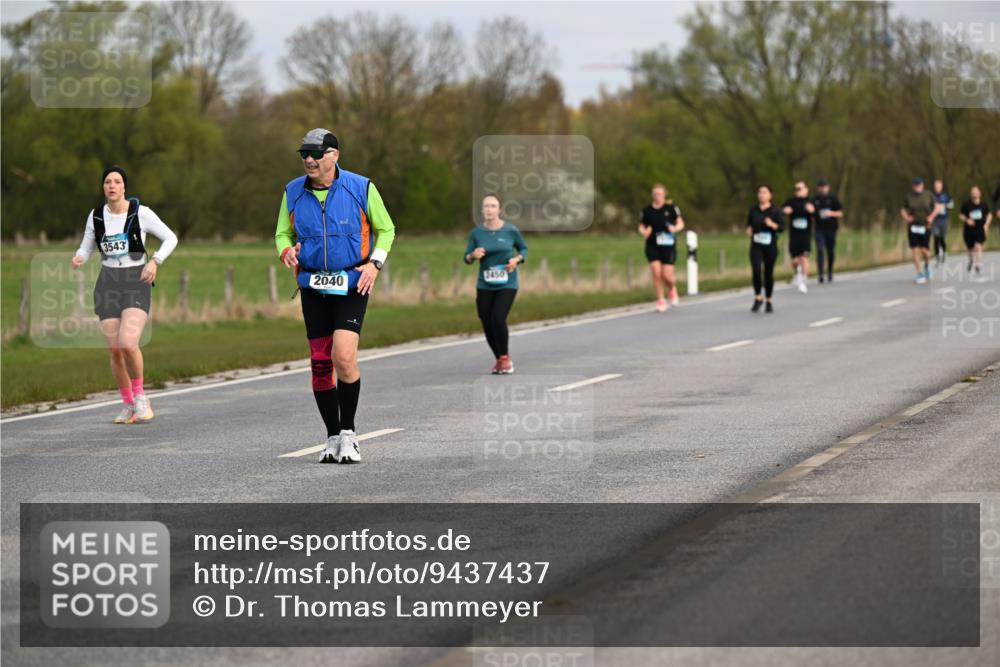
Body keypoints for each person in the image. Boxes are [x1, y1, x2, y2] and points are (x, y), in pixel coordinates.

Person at [275, 129, 396, 464]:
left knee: (343, 356)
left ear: (334, 155)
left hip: (354, 281)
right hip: (313, 285)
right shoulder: (293, 192)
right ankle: (330, 437)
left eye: (315, 154)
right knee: (319, 363)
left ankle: (349, 433)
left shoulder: (361, 187)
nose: (309, 161)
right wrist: (285, 249)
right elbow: (282, 231)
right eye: (304, 155)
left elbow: (386, 229)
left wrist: (375, 264)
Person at [71, 166, 178, 424]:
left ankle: (141, 397)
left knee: (128, 342)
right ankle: (128, 404)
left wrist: (155, 262)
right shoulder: (96, 216)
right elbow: (86, 247)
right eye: (107, 182)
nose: (112, 186)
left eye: (117, 182)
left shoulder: (141, 213)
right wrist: (80, 257)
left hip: (135, 279)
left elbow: (170, 238)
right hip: (108, 282)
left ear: (124, 187)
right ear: (103, 187)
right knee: (115, 350)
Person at [464, 193, 528, 374]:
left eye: (493, 206)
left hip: (507, 283)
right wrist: (473, 255)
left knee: (498, 318)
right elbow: (467, 258)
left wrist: (517, 259)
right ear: (482, 210)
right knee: (486, 321)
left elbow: (523, 248)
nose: (489, 209)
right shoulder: (476, 233)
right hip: (485, 284)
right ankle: (499, 358)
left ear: (499, 209)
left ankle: (506, 358)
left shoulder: (510, 230)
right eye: (486, 206)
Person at [638, 183, 685, 311]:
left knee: (667, 275)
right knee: (656, 273)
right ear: (652, 195)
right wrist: (643, 231)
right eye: (655, 194)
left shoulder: (671, 208)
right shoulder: (647, 210)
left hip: (668, 245)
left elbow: (681, 222)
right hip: (652, 244)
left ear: (665, 194)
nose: (657, 196)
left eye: (660, 193)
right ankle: (660, 299)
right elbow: (641, 226)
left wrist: (676, 228)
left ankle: (671, 288)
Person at [746, 184, 784, 313]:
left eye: (764, 192)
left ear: (770, 195)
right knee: (756, 270)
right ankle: (758, 297)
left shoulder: (775, 211)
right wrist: (749, 230)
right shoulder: (753, 210)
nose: (761, 195)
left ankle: (769, 299)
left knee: (768, 273)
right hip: (756, 245)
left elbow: (782, 228)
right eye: (760, 192)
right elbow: (749, 224)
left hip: (770, 245)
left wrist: (772, 224)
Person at [900, 177, 941, 284]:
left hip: (925, 225)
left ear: (922, 185)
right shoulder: (909, 197)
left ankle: (927, 265)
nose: (917, 187)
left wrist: (931, 217)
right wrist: (907, 218)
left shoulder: (928, 195)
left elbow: (937, 208)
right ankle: (919, 273)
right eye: (915, 185)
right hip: (913, 226)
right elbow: (903, 210)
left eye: (919, 185)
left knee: (925, 250)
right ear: (913, 186)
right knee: (914, 250)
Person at [781, 181, 815, 293]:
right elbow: (781, 211)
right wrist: (785, 211)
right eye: (796, 189)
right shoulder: (791, 201)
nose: (798, 191)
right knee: (795, 260)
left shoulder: (810, 201)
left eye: (800, 188)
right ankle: (797, 273)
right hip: (794, 234)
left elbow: (818, 214)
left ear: (806, 189)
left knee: (804, 258)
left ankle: (803, 280)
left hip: (806, 234)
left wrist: (813, 211)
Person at [812, 178, 843, 284]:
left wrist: (830, 214)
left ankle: (830, 271)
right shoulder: (815, 200)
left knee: (830, 251)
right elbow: (811, 214)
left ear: (828, 188)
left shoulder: (833, 199)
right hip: (819, 229)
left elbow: (840, 213)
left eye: (824, 187)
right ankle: (820, 274)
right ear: (818, 188)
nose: (822, 189)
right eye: (821, 187)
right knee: (820, 250)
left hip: (831, 229)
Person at [959, 186, 992, 276]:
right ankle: (971, 260)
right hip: (969, 230)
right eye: (973, 192)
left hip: (980, 229)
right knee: (970, 248)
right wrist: (967, 220)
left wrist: (986, 225)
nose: (975, 194)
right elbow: (961, 215)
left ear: (979, 194)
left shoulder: (983, 205)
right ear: (971, 194)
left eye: (976, 192)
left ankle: (978, 264)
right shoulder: (966, 204)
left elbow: (989, 215)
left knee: (978, 245)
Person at [931, 179, 954, 266]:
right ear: (934, 187)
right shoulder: (931, 196)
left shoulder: (946, 196)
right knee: (936, 237)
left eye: (939, 185)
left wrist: (944, 205)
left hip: (944, 219)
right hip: (935, 220)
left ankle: (944, 252)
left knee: (942, 238)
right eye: (936, 185)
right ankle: (937, 256)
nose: (937, 187)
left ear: (941, 186)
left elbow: (952, 205)